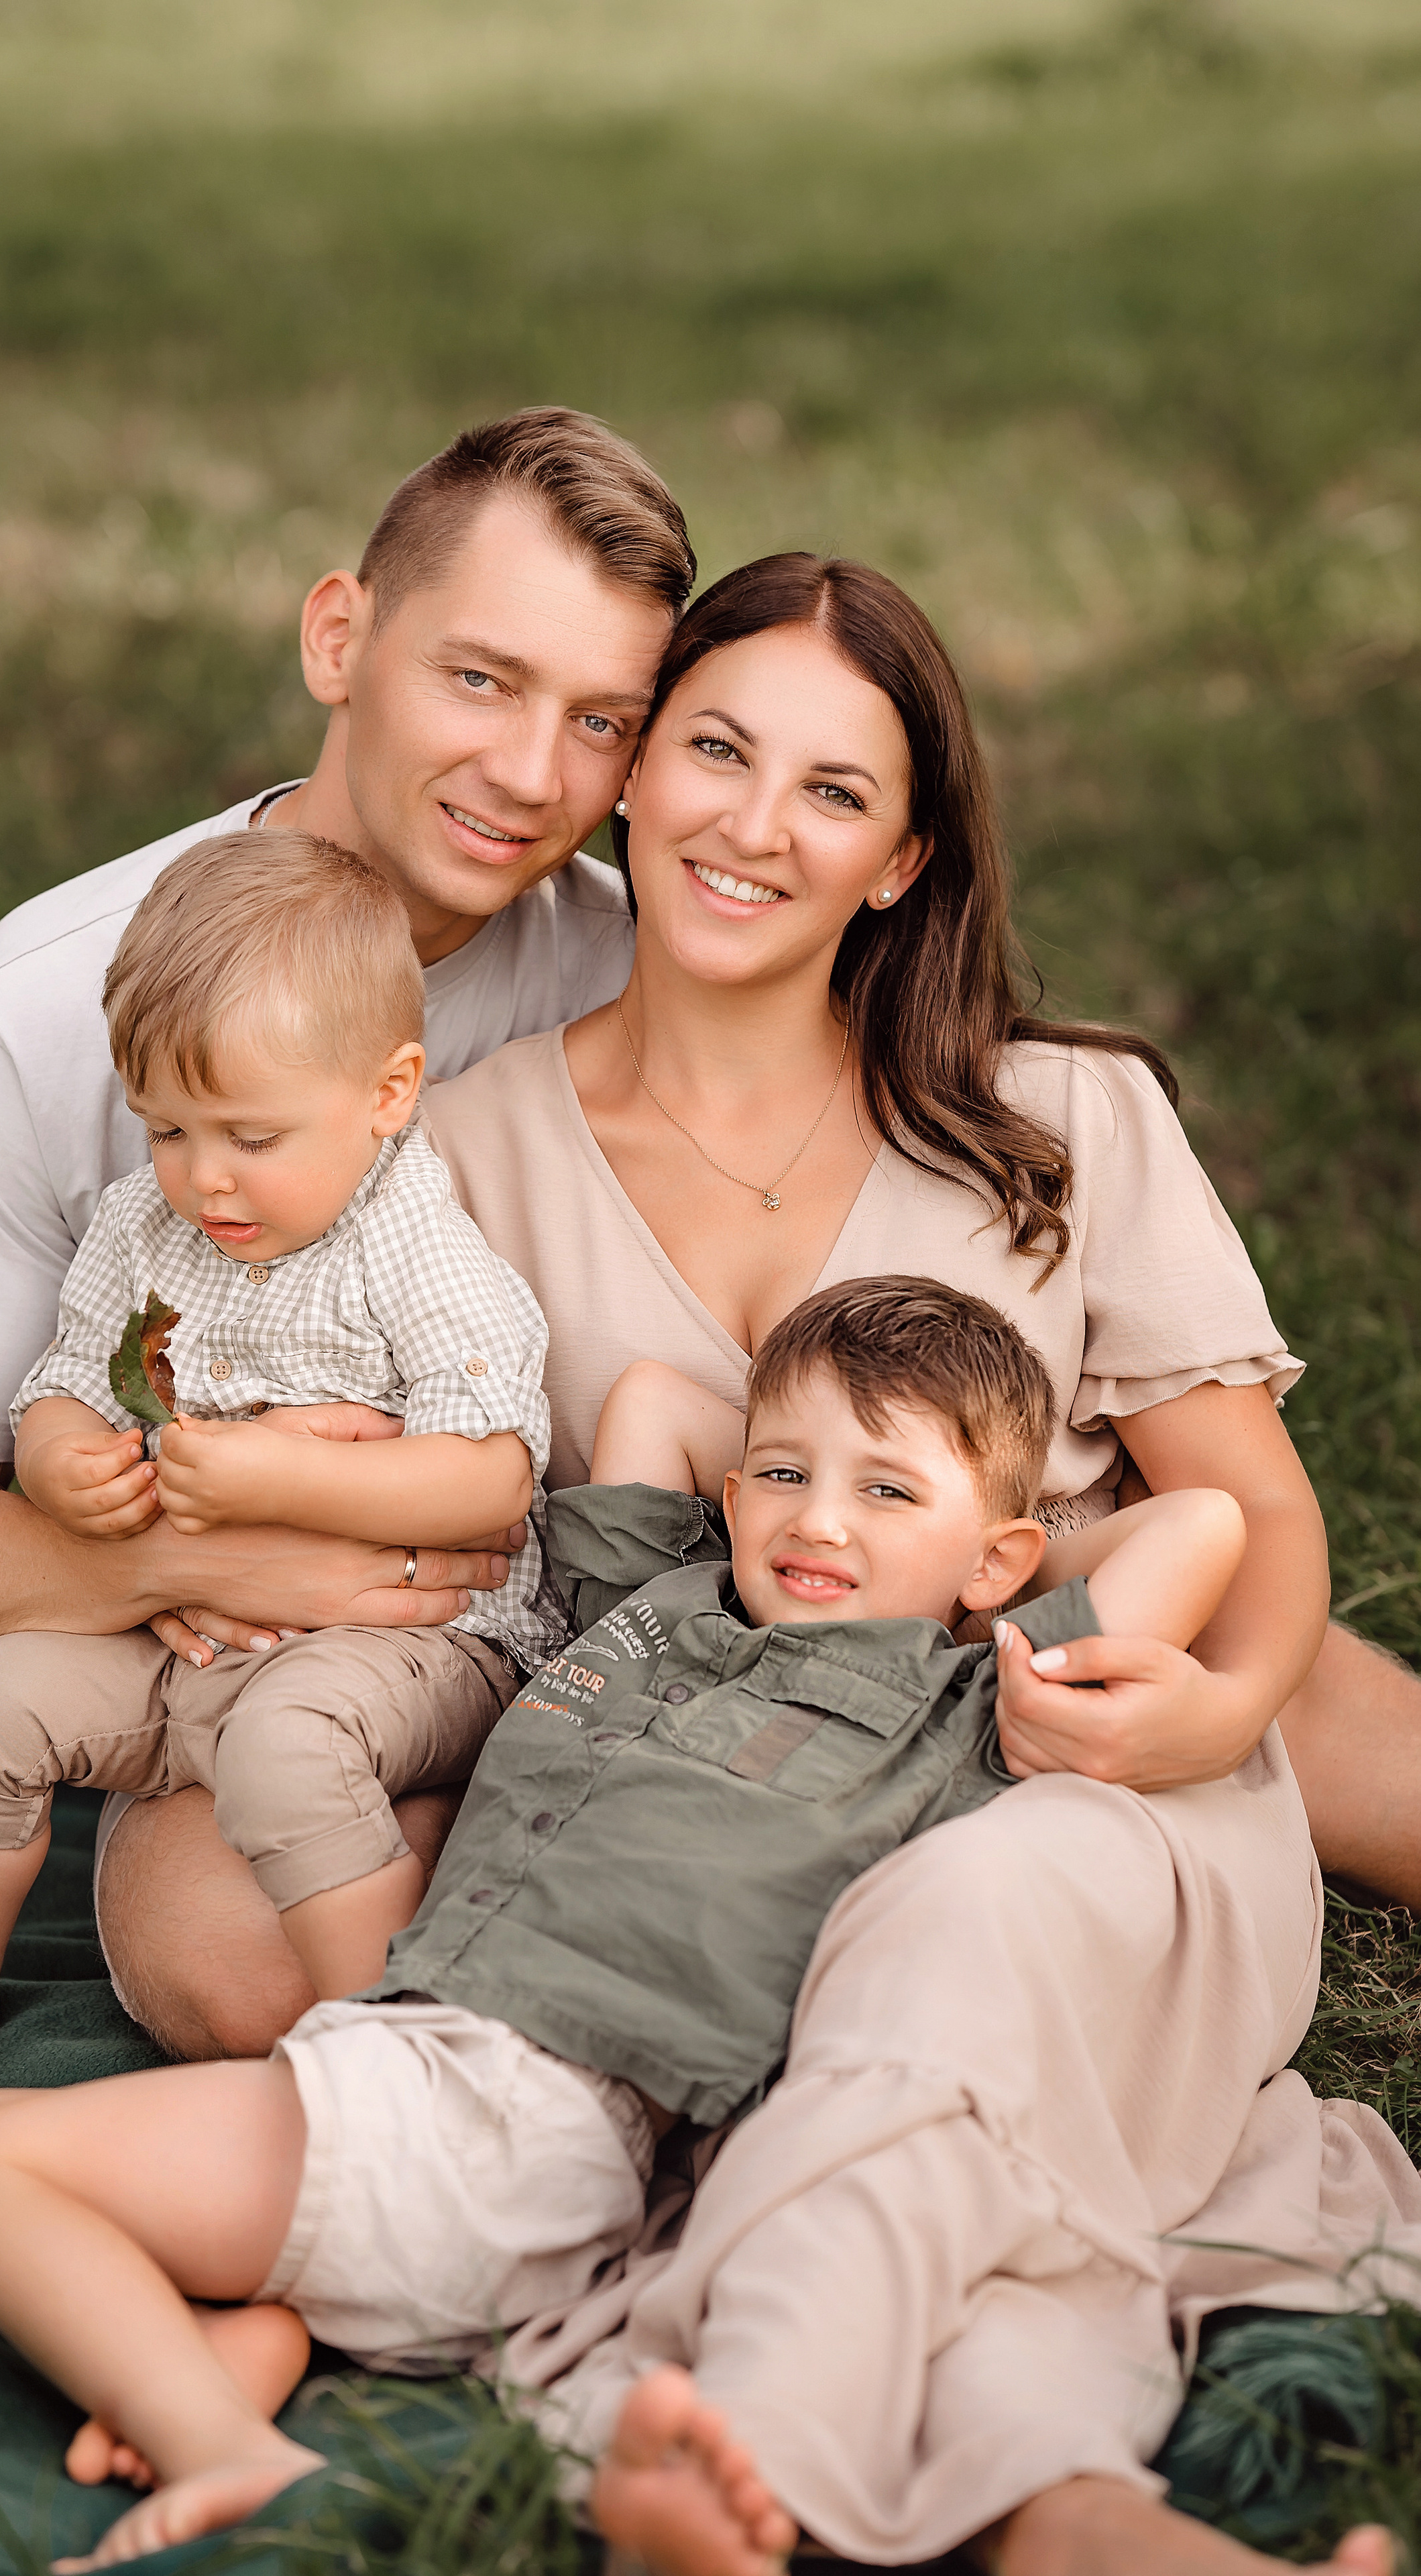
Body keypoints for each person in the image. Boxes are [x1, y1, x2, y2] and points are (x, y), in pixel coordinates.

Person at [89, 555, 1418, 2573]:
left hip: (1046, 1788)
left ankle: (753, 2448)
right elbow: (362, 1465)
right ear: (628, 777)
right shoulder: (456, 1152)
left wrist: (1215, 1710)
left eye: (830, 789)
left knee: (966, 1918)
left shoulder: (1062, 1122)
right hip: (706, 1812)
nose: (749, 823)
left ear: (902, 859)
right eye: (711, 748)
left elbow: (1260, 1511)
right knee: (239, 1922)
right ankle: (1054, 2523)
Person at [0, 1273, 1251, 2573]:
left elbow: (1200, 1526)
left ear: (998, 1558)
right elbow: (653, 1395)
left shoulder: (959, 1707)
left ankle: (229, 2458)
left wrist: (968, 1551)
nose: (818, 1519)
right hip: (440, 2087)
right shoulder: (651, 1603)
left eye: (885, 1491)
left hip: (519, 2106)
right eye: (780, 1474)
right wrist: (803, 1450)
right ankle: (258, 2339)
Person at [0, 407, 689, 1784]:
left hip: (587, 1636)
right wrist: (195, 1547)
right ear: (336, 638)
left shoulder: (650, 971)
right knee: (230, 1973)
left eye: (597, 721)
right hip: (236, 1677)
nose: (530, 776)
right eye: (477, 679)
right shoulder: (41, 1013)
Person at [0, 831, 567, 2113]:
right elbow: (62, 1383)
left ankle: (402, 2046)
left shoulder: (413, 1241)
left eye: (251, 1134)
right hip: (183, 1640)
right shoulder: (149, 1229)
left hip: (413, 1644)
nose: (206, 1177)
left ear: (390, 1090)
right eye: (166, 1130)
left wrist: (272, 1480)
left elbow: (489, 1481)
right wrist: (55, 1465)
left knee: (286, 1749)